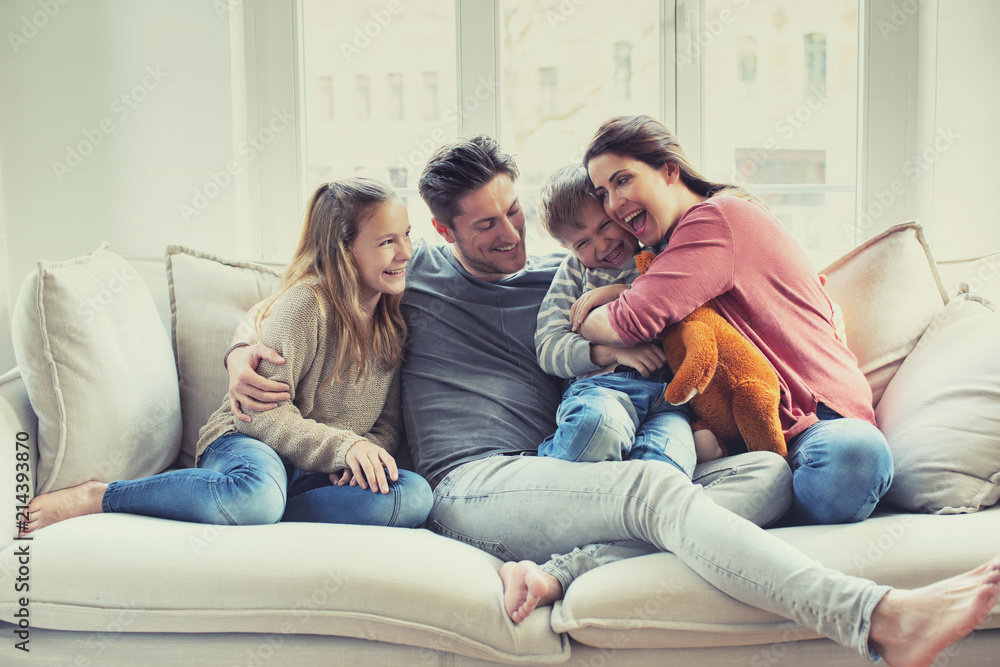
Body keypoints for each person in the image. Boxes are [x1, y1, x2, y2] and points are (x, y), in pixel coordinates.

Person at [226, 137, 1000, 666]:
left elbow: (698, 302)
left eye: (515, 212)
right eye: (487, 224)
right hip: (475, 480)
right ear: (443, 229)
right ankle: (877, 618)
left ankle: (567, 567)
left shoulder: (566, 279)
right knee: (651, 489)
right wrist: (240, 346)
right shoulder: (413, 269)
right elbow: (296, 290)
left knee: (767, 474)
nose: (511, 236)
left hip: (561, 477)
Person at [20, 177, 433, 533]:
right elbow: (261, 413)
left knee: (412, 496)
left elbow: (388, 423)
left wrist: (359, 458)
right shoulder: (306, 306)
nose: (405, 252)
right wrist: (343, 446)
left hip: (313, 471)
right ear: (344, 251)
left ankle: (265, 509)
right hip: (250, 442)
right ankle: (102, 497)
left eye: (407, 235)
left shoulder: (391, 321)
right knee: (255, 492)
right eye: (386, 242)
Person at [577, 115, 892, 527]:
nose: (614, 204)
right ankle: (729, 516)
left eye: (622, 180)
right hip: (747, 441)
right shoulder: (669, 249)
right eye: (603, 192)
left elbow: (630, 321)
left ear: (669, 170)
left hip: (819, 422)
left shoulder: (715, 218)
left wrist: (589, 316)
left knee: (854, 460)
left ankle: (697, 522)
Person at [534, 163, 701, 474]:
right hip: (602, 389)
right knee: (597, 429)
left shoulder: (659, 256)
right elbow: (549, 345)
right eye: (581, 243)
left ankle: (621, 510)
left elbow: (687, 311)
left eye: (603, 227)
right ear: (565, 248)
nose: (601, 245)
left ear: (617, 213)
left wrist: (619, 291)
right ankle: (543, 475)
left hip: (667, 401)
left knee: (668, 468)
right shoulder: (576, 271)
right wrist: (612, 353)